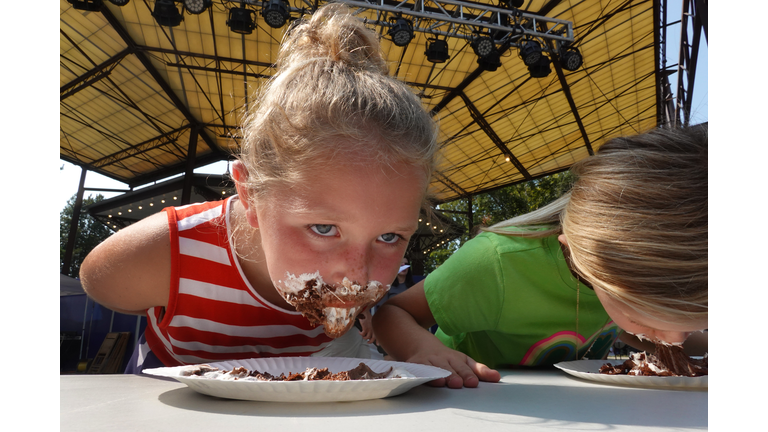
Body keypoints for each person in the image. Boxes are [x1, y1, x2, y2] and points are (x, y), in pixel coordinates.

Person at [79, 3, 439, 373]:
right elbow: (99, 281)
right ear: (250, 196)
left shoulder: (350, 271)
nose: (357, 276)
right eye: (324, 228)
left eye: (390, 236)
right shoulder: (173, 255)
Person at [372, 125, 708, 388]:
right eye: (653, 319)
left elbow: (614, 324)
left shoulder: (619, 284)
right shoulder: (496, 262)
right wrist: (423, 351)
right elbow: (393, 313)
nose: (678, 338)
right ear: (585, 255)